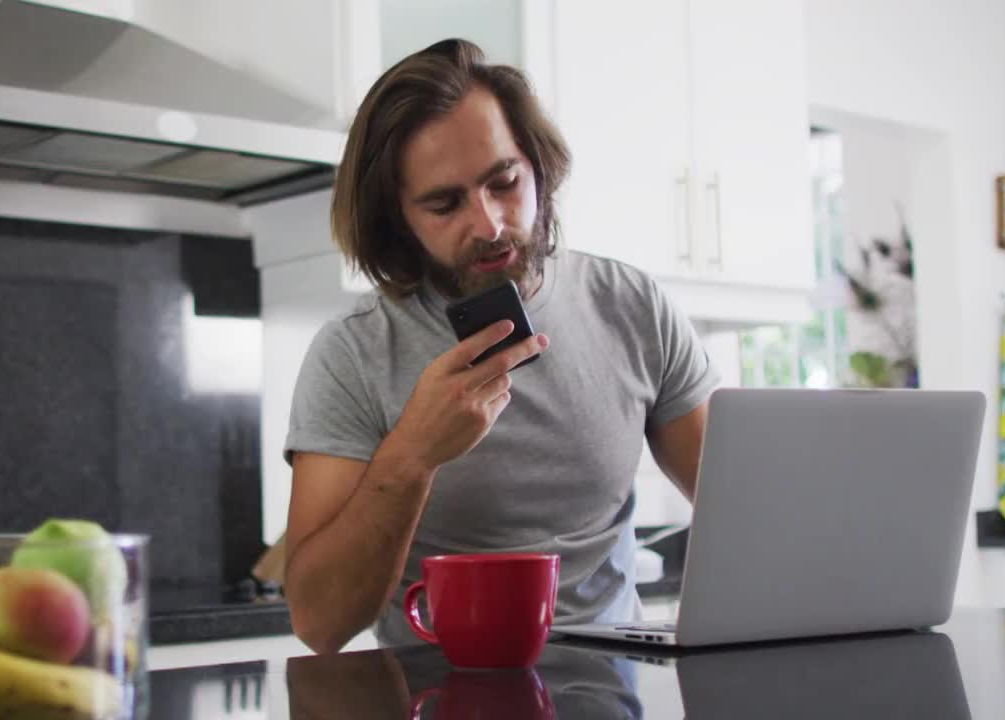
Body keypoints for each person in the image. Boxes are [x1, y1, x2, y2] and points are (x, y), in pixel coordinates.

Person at [282, 38, 719, 654]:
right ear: (397, 218)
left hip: (614, 686)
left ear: (537, 166)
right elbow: (320, 623)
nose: (488, 224)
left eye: (504, 182)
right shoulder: (352, 354)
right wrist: (413, 453)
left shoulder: (633, 305)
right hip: (435, 695)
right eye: (444, 203)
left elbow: (745, 515)